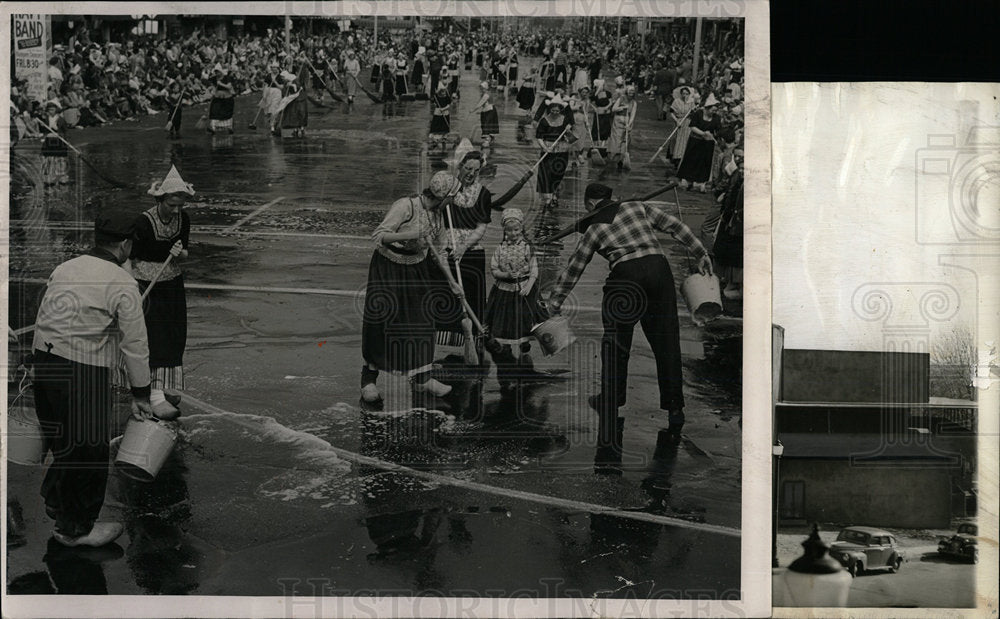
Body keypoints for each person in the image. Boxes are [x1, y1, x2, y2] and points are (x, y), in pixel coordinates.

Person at [546, 183, 713, 472]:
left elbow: (575, 266)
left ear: (590, 205)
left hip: (626, 277)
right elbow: (676, 227)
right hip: (658, 270)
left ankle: (612, 399)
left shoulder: (595, 229)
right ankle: (675, 408)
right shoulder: (637, 206)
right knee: (666, 342)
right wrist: (700, 253)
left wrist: (555, 302)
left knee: (615, 343)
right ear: (611, 198)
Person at [31, 209, 156, 547]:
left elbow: (46, 313)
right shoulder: (122, 283)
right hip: (81, 369)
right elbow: (135, 344)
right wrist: (141, 394)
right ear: (127, 245)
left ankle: (60, 506)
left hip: (44, 361)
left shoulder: (66, 268)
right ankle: (77, 529)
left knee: (65, 443)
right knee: (88, 450)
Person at [360, 171, 462, 405]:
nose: (454, 202)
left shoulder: (439, 215)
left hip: (417, 267)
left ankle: (422, 378)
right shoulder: (407, 206)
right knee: (382, 322)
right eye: (452, 197)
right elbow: (378, 236)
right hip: (388, 266)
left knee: (422, 322)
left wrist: (452, 282)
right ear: (441, 195)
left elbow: (440, 253)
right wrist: (412, 234)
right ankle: (368, 380)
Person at [130, 166, 193, 398]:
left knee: (173, 333)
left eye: (180, 205)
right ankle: (150, 389)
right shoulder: (143, 222)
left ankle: (166, 383)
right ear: (161, 199)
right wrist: (130, 289)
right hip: (146, 283)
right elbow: (130, 257)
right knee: (150, 334)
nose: (176, 210)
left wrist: (180, 252)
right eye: (171, 205)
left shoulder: (183, 219)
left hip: (172, 282)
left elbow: (185, 253)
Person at [483, 208, 548, 380]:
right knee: (507, 323)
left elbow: (534, 270)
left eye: (516, 230)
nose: (513, 233)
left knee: (524, 323)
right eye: (509, 230)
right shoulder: (500, 249)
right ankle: (507, 362)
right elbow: (494, 269)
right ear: (504, 230)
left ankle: (525, 356)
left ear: (521, 229)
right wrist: (505, 275)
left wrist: (528, 286)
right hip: (504, 292)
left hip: (524, 291)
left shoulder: (527, 248)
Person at [677, 93, 721, 191]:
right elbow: (692, 126)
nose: (713, 112)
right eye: (712, 110)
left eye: (715, 110)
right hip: (695, 141)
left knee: (704, 163)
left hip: (707, 143)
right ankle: (689, 181)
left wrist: (713, 135)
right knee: (692, 161)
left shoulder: (716, 118)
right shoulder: (698, 114)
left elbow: (718, 130)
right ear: (707, 108)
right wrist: (702, 133)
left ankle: (702, 183)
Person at [534, 94, 572, 208]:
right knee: (547, 174)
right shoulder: (544, 121)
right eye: (553, 110)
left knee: (558, 173)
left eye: (557, 110)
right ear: (549, 109)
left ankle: (554, 193)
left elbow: (572, 138)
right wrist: (545, 147)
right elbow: (539, 137)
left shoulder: (565, 120)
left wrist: (569, 131)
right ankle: (548, 196)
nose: (555, 112)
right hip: (548, 150)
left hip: (562, 151)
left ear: (561, 109)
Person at [608, 84, 638, 171]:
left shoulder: (634, 103)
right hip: (618, 122)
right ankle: (614, 157)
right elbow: (613, 109)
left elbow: (633, 114)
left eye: (633, 90)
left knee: (625, 141)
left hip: (627, 124)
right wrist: (623, 107)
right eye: (630, 90)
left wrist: (629, 124)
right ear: (626, 91)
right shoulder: (621, 98)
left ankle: (621, 159)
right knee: (617, 140)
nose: (631, 92)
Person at [469, 81, 499, 148]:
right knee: (487, 124)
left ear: (485, 88)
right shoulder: (485, 94)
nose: (481, 89)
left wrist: (472, 110)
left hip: (489, 111)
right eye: (480, 88)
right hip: (488, 111)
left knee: (486, 125)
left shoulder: (486, 95)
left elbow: (480, 104)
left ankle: (487, 140)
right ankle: (491, 139)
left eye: (482, 88)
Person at [207, 67, 235, 135]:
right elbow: (213, 87)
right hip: (217, 98)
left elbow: (229, 87)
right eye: (216, 72)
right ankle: (213, 128)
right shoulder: (214, 79)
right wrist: (212, 91)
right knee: (214, 112)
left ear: (221, 71)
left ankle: (229, 127)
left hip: (227, 99)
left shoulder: (227, 78)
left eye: (218, 72)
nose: (217, 73)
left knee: (226, 114)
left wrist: (221, 84)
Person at [429, 81, 452, 151]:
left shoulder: (447, 97)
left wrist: (443, 109)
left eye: (444, 91)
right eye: (442, 91)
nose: (444, 92)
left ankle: (444, 137)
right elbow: (432, 102)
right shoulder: (436, 97)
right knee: (435, 124)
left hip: (445, 113)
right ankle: (435, 138)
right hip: (438, 113)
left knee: (445, 125)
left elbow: (449, 105)